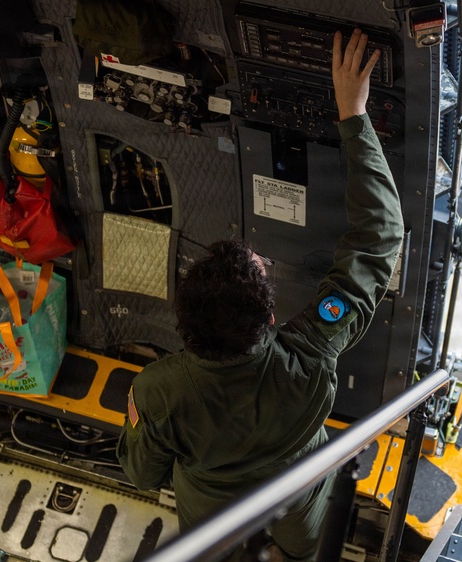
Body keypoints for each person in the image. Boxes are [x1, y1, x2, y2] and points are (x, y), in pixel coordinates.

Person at [116, 28, 404, 562]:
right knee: (301, 550)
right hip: (299, 502)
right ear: (270, 319)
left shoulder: (159, 392)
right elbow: (379, 240)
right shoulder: (310, 360)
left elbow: (141, 472)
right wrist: (353, 117)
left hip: (213, 519)